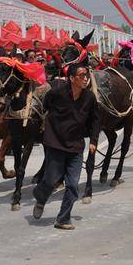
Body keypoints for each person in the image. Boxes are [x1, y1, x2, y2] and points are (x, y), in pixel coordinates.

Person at [32, 64, 99, 230]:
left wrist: (93, 141)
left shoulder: (89, 97)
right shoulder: (57, 92)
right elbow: (45, 104)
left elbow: (96, 120)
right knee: (50, 180)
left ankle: (62, 219)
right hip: (55, 143)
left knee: (73, 185)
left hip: (76, 146)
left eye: (86, 75)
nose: (85, 78)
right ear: (71, 78)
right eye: (81, 75)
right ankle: (41, 197)